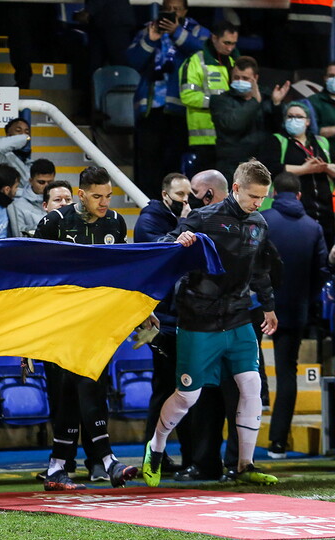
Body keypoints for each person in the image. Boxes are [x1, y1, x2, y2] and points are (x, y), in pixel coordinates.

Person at [143, 159, 279, 487]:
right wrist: (179, 242)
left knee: (252, 387)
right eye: (252, 196)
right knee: (188, 396)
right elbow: (162, 250)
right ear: (235, 188)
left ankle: (244, 465)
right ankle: (156, 446)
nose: (257, 203)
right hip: (199, 319)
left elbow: (259, 269)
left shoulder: (259, 223)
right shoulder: (201, 218)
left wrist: (270, 307)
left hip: (238, 318)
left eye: (262, 197)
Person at [35, 166, 138, 491]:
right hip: (61, 322)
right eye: (97, 196)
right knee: (79, 385)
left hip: (97, 322)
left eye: (108, 196)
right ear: (81, 194)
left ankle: (58, 465)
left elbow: (122, 272)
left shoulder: (115, 223)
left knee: (77, 389)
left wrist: (141, 310)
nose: (104, 202)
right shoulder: (56, 222)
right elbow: (32, 275)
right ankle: (106, 459)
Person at [261, 172, 328, 458]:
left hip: (255, 305)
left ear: (274, 193)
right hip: (293, 309)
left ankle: (242, 445)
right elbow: (321, 271)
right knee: (288, 373)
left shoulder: (262, 220)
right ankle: (278, 443)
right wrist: (305, 298)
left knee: (246, 370)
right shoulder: (313, 227)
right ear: (299, 195)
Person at [133, 172, 194, 473]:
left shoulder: (180, 216)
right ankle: (154, 450)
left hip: (179, 316)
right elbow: (162, 253)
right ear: (165, 193)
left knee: (181, 388)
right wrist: (185, 223)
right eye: (180, 194)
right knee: (162, 388)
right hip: (158, 320)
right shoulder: (149, 221)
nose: (186, 200)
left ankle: (179, 452)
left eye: (189, 195)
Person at [127, 0, 208, 194]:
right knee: (148, 160)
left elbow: (204, 53)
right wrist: (150, 39)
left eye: (176, 10)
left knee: (173, 160)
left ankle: (173, 203)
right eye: (167, 10)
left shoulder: (197, 30)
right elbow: (131, 61)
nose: (171, 13)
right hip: (151, 106)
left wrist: (177, 32)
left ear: (185, 11)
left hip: (181, 108)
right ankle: (146, 202)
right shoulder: (149, 29)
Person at [260, 101, 335, 249]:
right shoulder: (277, 140)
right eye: (290, 116)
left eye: (299, 117)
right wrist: (304, 169)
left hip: (325, 210)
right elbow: (271, 169)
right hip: (293, 211)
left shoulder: (321, 141)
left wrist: (324, 167)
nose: (294, 120)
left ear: (307, 121)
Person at [211, 56, 288, 181]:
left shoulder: (268, 98)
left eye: (245, 78)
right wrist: (254, 102)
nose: (240, 81)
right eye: (236, 77)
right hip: (232, 167)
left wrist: (276, 105)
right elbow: (232, 124)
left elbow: (278, 129)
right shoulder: (220, 100)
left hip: (263, 165)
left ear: (255, 78)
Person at [180, 20, 239, 174]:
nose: (230, 48)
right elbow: (187, 96)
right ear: (214, 38)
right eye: (226, 43)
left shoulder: (234, 62)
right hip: (203, 140)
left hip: (229, 138)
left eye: (233, 44)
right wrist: (216, 102)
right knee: (204, 190)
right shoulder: (195, 62)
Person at [13, 159, 57, 237]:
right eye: (41, 182)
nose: (46, 186)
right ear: (31, 181)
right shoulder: (18, 205)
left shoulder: (62, 201)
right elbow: (18, 235)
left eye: (50, 182)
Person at [307, 63, 335, 140]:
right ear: (325, 78)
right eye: (331, 76)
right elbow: (312, 131)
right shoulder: (313, 101)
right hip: (326, 149)